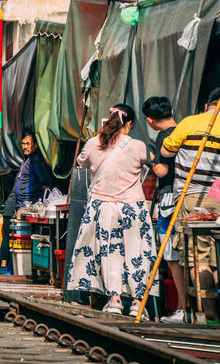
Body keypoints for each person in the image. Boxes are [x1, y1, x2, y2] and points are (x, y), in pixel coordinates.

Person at [66, 104, 158, 317]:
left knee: (109, 253)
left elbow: (83, 162)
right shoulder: (138, 146)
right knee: (138, 254)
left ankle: (114, 301)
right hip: (133, 208)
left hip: (103, 207)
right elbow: (152, 162)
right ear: (130, 124)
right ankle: (137, 304)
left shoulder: (93, 143)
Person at [161, 87, 220, 323]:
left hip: (195, 198)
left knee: (199, 257)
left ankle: (212, 314)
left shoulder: (191, 122)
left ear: (208, 104)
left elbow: (166, 151)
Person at [142, 96, 185, 323]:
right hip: (189, 199)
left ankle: (182, 309)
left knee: (172, 256)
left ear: (150, 120)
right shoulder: (185, 130)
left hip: (169, 198)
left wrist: (150, 159)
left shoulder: (163, 136)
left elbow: (161, 170)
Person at [0, 131, 52, 274]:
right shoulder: (26, 160)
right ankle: (4, 265)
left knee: (19, 235)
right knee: (7, 232)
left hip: (27, 202)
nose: (25, 147)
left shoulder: (36, 160)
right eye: (23, 144)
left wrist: (38, 204)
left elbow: (46, 183)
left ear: (35, 145)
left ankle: (12, 267)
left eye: (28, 144)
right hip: (14, 201)